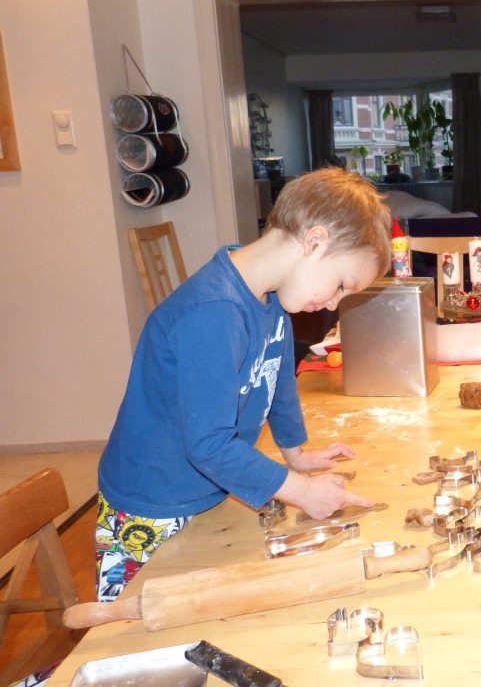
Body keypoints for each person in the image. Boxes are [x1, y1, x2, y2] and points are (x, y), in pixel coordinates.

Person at [95, 168, 392, 601]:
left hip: (207, 488)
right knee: (133, 626)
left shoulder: (270, 298)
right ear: (315, 241)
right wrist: (302, 492)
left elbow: (278, 379)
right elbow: (209, 445)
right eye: (341, 285)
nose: (333, 303)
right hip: (149, 504)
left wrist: (296, 454)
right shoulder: (214, 313)